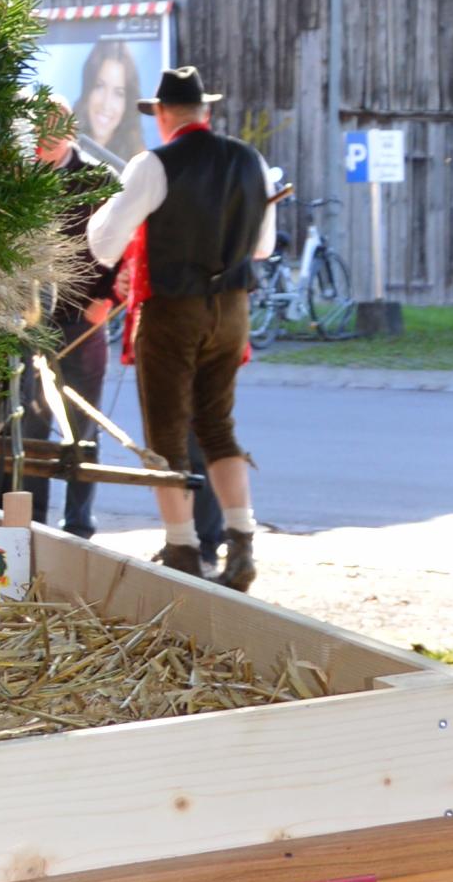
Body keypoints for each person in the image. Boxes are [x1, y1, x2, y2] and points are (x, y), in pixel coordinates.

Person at [86, 64, 275, 589]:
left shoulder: (153, 165)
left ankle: (183, 547)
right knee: (217, 426)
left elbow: (104, 243)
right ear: (205, 111)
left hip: (173, 310)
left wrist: (115, 212)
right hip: (232, 309)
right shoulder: (250, 160)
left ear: (164, 114)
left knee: (167, 433)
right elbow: (263, 247)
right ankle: (241, 543)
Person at [25, 97, 117, 539]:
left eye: (54, 127)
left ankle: (79, 522)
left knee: (82, 422)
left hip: (83, 316)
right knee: (30, 421)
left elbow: (124, 244)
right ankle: (28, 518)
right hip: (28, 320)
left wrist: (107, 297)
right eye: (38, 127)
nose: (45, 137)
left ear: (70, 131)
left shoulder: (99, 180)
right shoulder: (18, 178)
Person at [70, 37, 144, 166]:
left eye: (118, 93)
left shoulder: (139, 162)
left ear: (127, 103)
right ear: (88, 90)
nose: (106, 104)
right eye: (99, 86)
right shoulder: (63, 145)